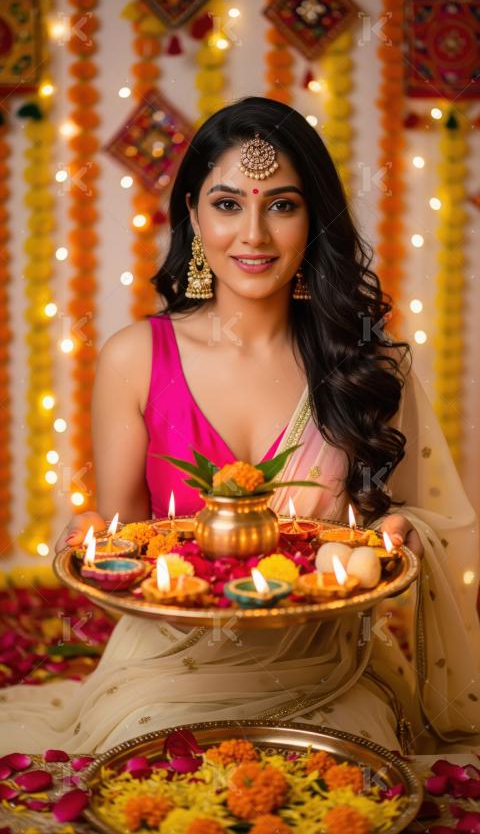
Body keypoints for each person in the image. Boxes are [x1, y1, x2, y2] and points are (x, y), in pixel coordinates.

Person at [1, 96, 478, 755]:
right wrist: (85, 549)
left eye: (281, 205)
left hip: (328, 669)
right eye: (228, 204)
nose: (253, 234)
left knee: (340, 782)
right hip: (168, 671)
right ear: (193, 214)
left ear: (313, 219)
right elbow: (122, 554)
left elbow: (407, 529)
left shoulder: (365, 363)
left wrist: (396, 534)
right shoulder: (135, 358)